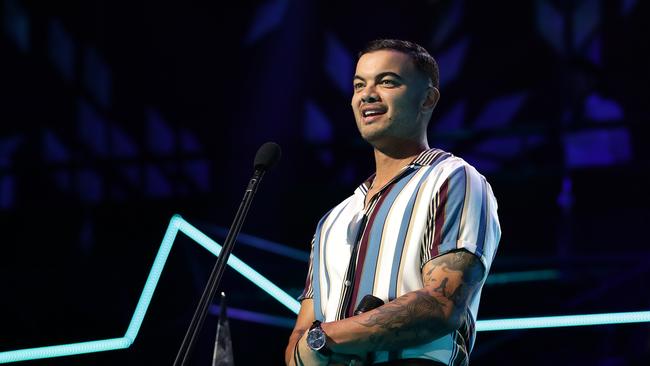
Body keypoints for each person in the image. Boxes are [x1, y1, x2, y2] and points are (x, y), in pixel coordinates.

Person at [285, 39, 501, 366]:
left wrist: (325, 338)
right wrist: (312, 344)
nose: (368, 94)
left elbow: (442, 305)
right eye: (359, 84)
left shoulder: (452, 179)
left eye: (387, 82)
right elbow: (298, 339)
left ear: (428, 98)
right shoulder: (332, 220)